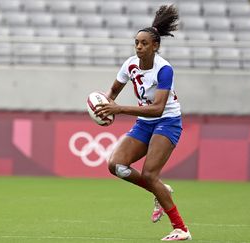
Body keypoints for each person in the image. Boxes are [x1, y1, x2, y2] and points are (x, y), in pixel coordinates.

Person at [94, 5, 191, 241]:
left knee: (149, 174)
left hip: (167, 122)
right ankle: (160, 189)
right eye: (136, 42)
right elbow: (113, 91)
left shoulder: (164, 69)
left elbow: (158, 108)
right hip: (145, 123)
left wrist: (119, 109)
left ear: (155, 46)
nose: (139, 47)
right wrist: (103, 106)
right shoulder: (129, 64)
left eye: (144, 43)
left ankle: (181, 229)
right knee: (116, 165)